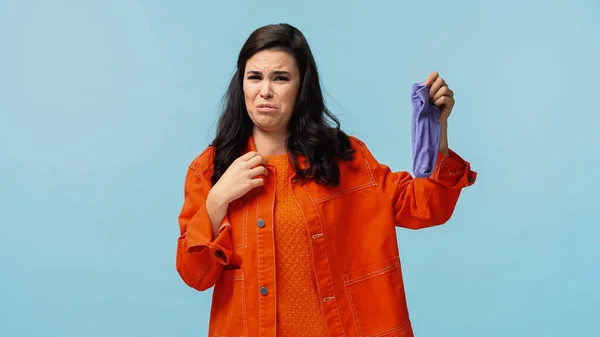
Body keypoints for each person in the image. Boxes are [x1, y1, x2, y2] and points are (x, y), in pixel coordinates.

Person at [175, 23, 476, 337]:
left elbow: (425, 207)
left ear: (301, 86)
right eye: (255, 77)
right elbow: (196, 276)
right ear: (241, 85)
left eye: (280, 78)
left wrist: (437, 132)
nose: (265, 90)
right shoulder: (211, 169)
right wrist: (216, 202)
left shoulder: (344, 158)